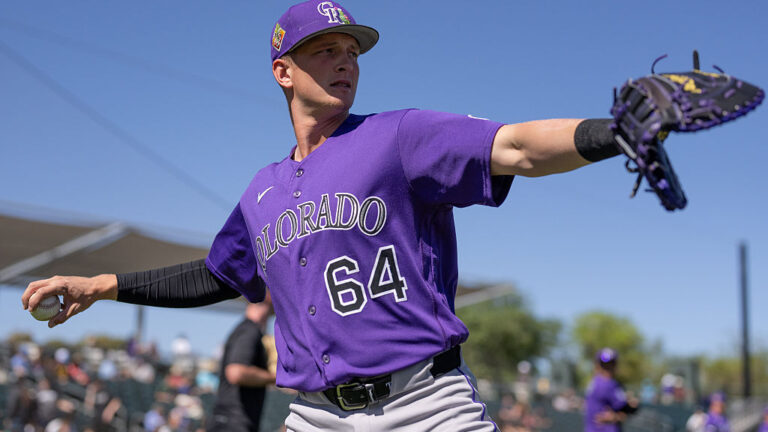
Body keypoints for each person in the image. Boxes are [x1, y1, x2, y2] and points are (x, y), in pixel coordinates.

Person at [22, 1, 641, 429]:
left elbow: (515, 147)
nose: (346, 60)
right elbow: (217, 276)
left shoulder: (399, 135)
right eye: (325, 50)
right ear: (283, 71)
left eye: (351, 49)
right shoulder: (261, 192)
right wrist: (102, 285)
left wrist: (616, 132)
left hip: (424, 403)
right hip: (315, 415)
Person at [207, 296, 276, 432]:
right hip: (233, 423)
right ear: (266, 297)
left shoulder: (247, 329)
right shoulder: (249, 330)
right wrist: (276, 377)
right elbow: (236, 372)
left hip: (230, 421)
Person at [584, 348, 638, 432]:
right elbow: (626, 407)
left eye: (610, 365)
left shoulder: (594, 382)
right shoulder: (609, 384)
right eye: (605, 366)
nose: (608, 369)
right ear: (598, 365)